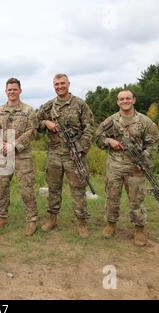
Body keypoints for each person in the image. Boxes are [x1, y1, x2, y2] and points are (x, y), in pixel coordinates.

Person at [95, 90, 159, 246]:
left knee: (136, 200)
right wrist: (109, 141)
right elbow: (97, 137)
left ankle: (139, 230)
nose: (125, 101)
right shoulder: (110, 121)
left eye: (128, 98)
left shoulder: (145, 122)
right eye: (121, 99)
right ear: (117, 102)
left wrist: (143, 159)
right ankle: (111, 225)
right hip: (114, 167)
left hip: (135, 168)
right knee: (112, 198)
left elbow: (153, 143)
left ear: (134, 100)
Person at [36, 74, 95, 238]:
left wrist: (80, 147)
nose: (60, 86)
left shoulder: (80, 104)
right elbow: (34, 122)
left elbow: (90, 128)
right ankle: (52, 219)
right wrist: (45, 123)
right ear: (53, 86)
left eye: (63, 83)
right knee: (53, 188)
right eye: (57, 84)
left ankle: (81, 223)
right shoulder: (48, 106)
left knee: (78, 189)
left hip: (74, 154)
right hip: (54, 153)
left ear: (68, 84)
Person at [0, 78, 38, 236]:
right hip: (4, 156)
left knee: (26, 188)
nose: (12, 92)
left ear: (20, 91)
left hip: (22, 155)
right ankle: (2, 217)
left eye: (14, 89)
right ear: (6, 91)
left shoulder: (28, 110)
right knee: (1, 187)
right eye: (9, 89)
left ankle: (31, 220)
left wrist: (15, 145)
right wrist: (2, 145)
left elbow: (33, 131)